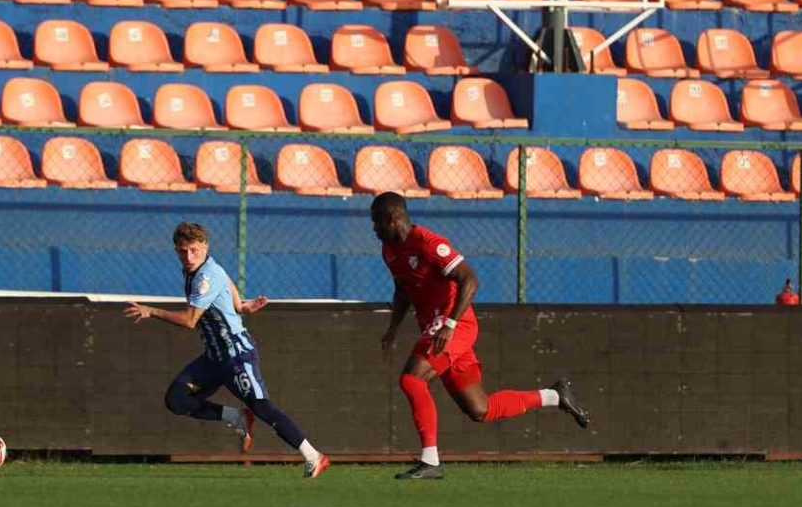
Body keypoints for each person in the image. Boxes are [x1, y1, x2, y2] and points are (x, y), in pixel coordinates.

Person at [371, 191, 589, 480]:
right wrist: (392, 328)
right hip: (438, 329)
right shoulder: (389, 251)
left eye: (376, 221)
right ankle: (554, 396)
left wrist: (450, 323)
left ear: (392, 218)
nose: (374, 229)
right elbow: (403, 290)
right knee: (479, 409)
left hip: (454, 325)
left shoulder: (428, 243)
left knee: (412, 380)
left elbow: (470, 279)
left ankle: (430, 461)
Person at [125, 221, 330, 480]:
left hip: (236, 356)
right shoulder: (202, 269)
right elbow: (226, 279)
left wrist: (151, 310)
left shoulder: (205, 277)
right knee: (176, 399)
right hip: (214, 358)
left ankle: (313, 456)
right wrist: (240, 305)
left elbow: (190, 320)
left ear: (205, 247)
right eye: (182, 251)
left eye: (193, 250)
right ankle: (237, 416)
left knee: (262, 407)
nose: (188, 257)